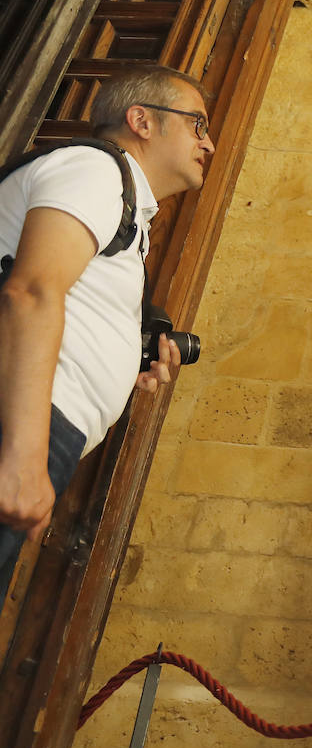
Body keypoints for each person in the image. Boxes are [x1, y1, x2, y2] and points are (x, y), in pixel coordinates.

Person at [0, 64, 214, 596]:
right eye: (198, 125)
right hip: (19, 425)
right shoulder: (94, 171)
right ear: (141, 119)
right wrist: (24, 457)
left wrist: (121, 369)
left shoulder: (125, 207)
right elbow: (30, 291)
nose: (208, 145)